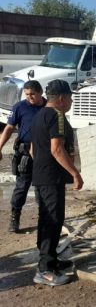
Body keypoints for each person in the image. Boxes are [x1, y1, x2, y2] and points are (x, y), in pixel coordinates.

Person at [31, 80, 83, 286]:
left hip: (42, 175)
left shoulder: (39, 115)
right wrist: (75, 173)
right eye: (69, 97)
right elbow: (56, 149)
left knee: (48, 219)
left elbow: (33, 150)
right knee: (53, 220)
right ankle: (44, 270)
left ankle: (50, 260)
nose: (70, 101)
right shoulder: (57, 116)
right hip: (51, 177)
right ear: (61, 98)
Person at [0, 80, 46, 233]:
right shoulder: (20, 107)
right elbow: (8, 129)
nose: (30, 97)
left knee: (42, 188)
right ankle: (15, 218)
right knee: (21, 187)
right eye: (27, 94)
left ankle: (44, 219)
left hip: (43, 154)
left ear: (40, 92)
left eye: (32, 94)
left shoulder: (49, 107)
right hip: (24, 154)